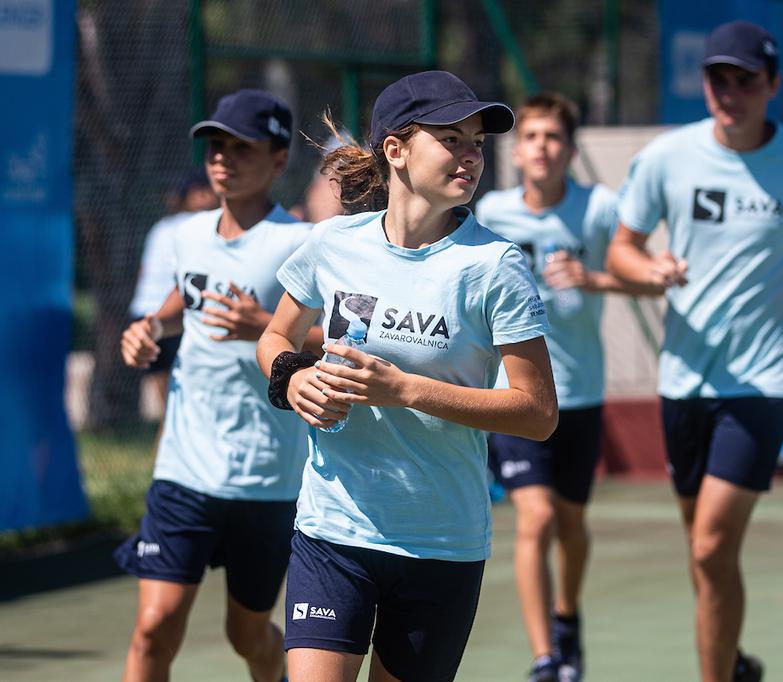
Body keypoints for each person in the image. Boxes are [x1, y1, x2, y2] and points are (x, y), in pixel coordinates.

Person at [256, 70, 558, 682]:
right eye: (451, 138)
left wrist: (407, 391)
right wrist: (290, 379)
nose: (470, 155)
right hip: (332, 528)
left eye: (476, 142)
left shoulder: (493, 266)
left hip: (441, 543)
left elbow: (537, 411)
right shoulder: (332, 244)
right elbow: (276, 336)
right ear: (396, 149)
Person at [606, 21, 783, 682]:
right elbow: (622, 250)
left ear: (772, 85)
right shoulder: (667, 158)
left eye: (745, 79)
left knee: (714, 542)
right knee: (703, 554)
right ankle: (734, 661)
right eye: (718, 77)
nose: (729, 91)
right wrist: (649, 271)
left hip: (766, 376)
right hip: (685, 376)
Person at [116, 89, 319, 682]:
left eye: (242, 148)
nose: (222, 160)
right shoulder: (184, 234)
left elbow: (337, 336)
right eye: (215, 147)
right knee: (154, 626)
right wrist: (150, 327)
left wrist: (263, 327)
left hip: (266, 477)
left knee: (247, 634)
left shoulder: (300, 243)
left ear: (279, 160)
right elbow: (185, 297)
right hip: (184, 469)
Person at [475, 92, 654, 682]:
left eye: (553, 137)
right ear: (517, 149)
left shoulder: (600, 209)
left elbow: (647, 280)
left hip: (579, 396)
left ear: (571, 149)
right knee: (537, 519)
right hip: (514, 397)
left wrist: (595, 278)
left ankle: (567, 615)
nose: (542, 147)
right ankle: (545, 658)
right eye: (531, 137)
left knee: (572, 526)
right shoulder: (491, 214)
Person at [128, 167, 219, 417]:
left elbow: (144, 271)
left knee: (169, 408)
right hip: (171, 319)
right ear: (197, 194)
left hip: (142, 313)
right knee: (179, 409)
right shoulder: (199, 227)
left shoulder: (161, 226)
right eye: (209, 190)